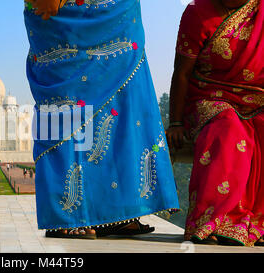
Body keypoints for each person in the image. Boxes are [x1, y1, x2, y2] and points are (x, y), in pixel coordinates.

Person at [24, 0, 180, 239]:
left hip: (113, 11)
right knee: (64, 104)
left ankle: (114, 213)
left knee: (121, 103)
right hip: (58, 16)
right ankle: (63, 216)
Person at [167, 0, 263, 246]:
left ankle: (257, 226)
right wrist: (176, 122)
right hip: (208, 97)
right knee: (229, 127)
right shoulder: (198, 12)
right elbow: (182, 72)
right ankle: (211, 221)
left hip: (257, 100)